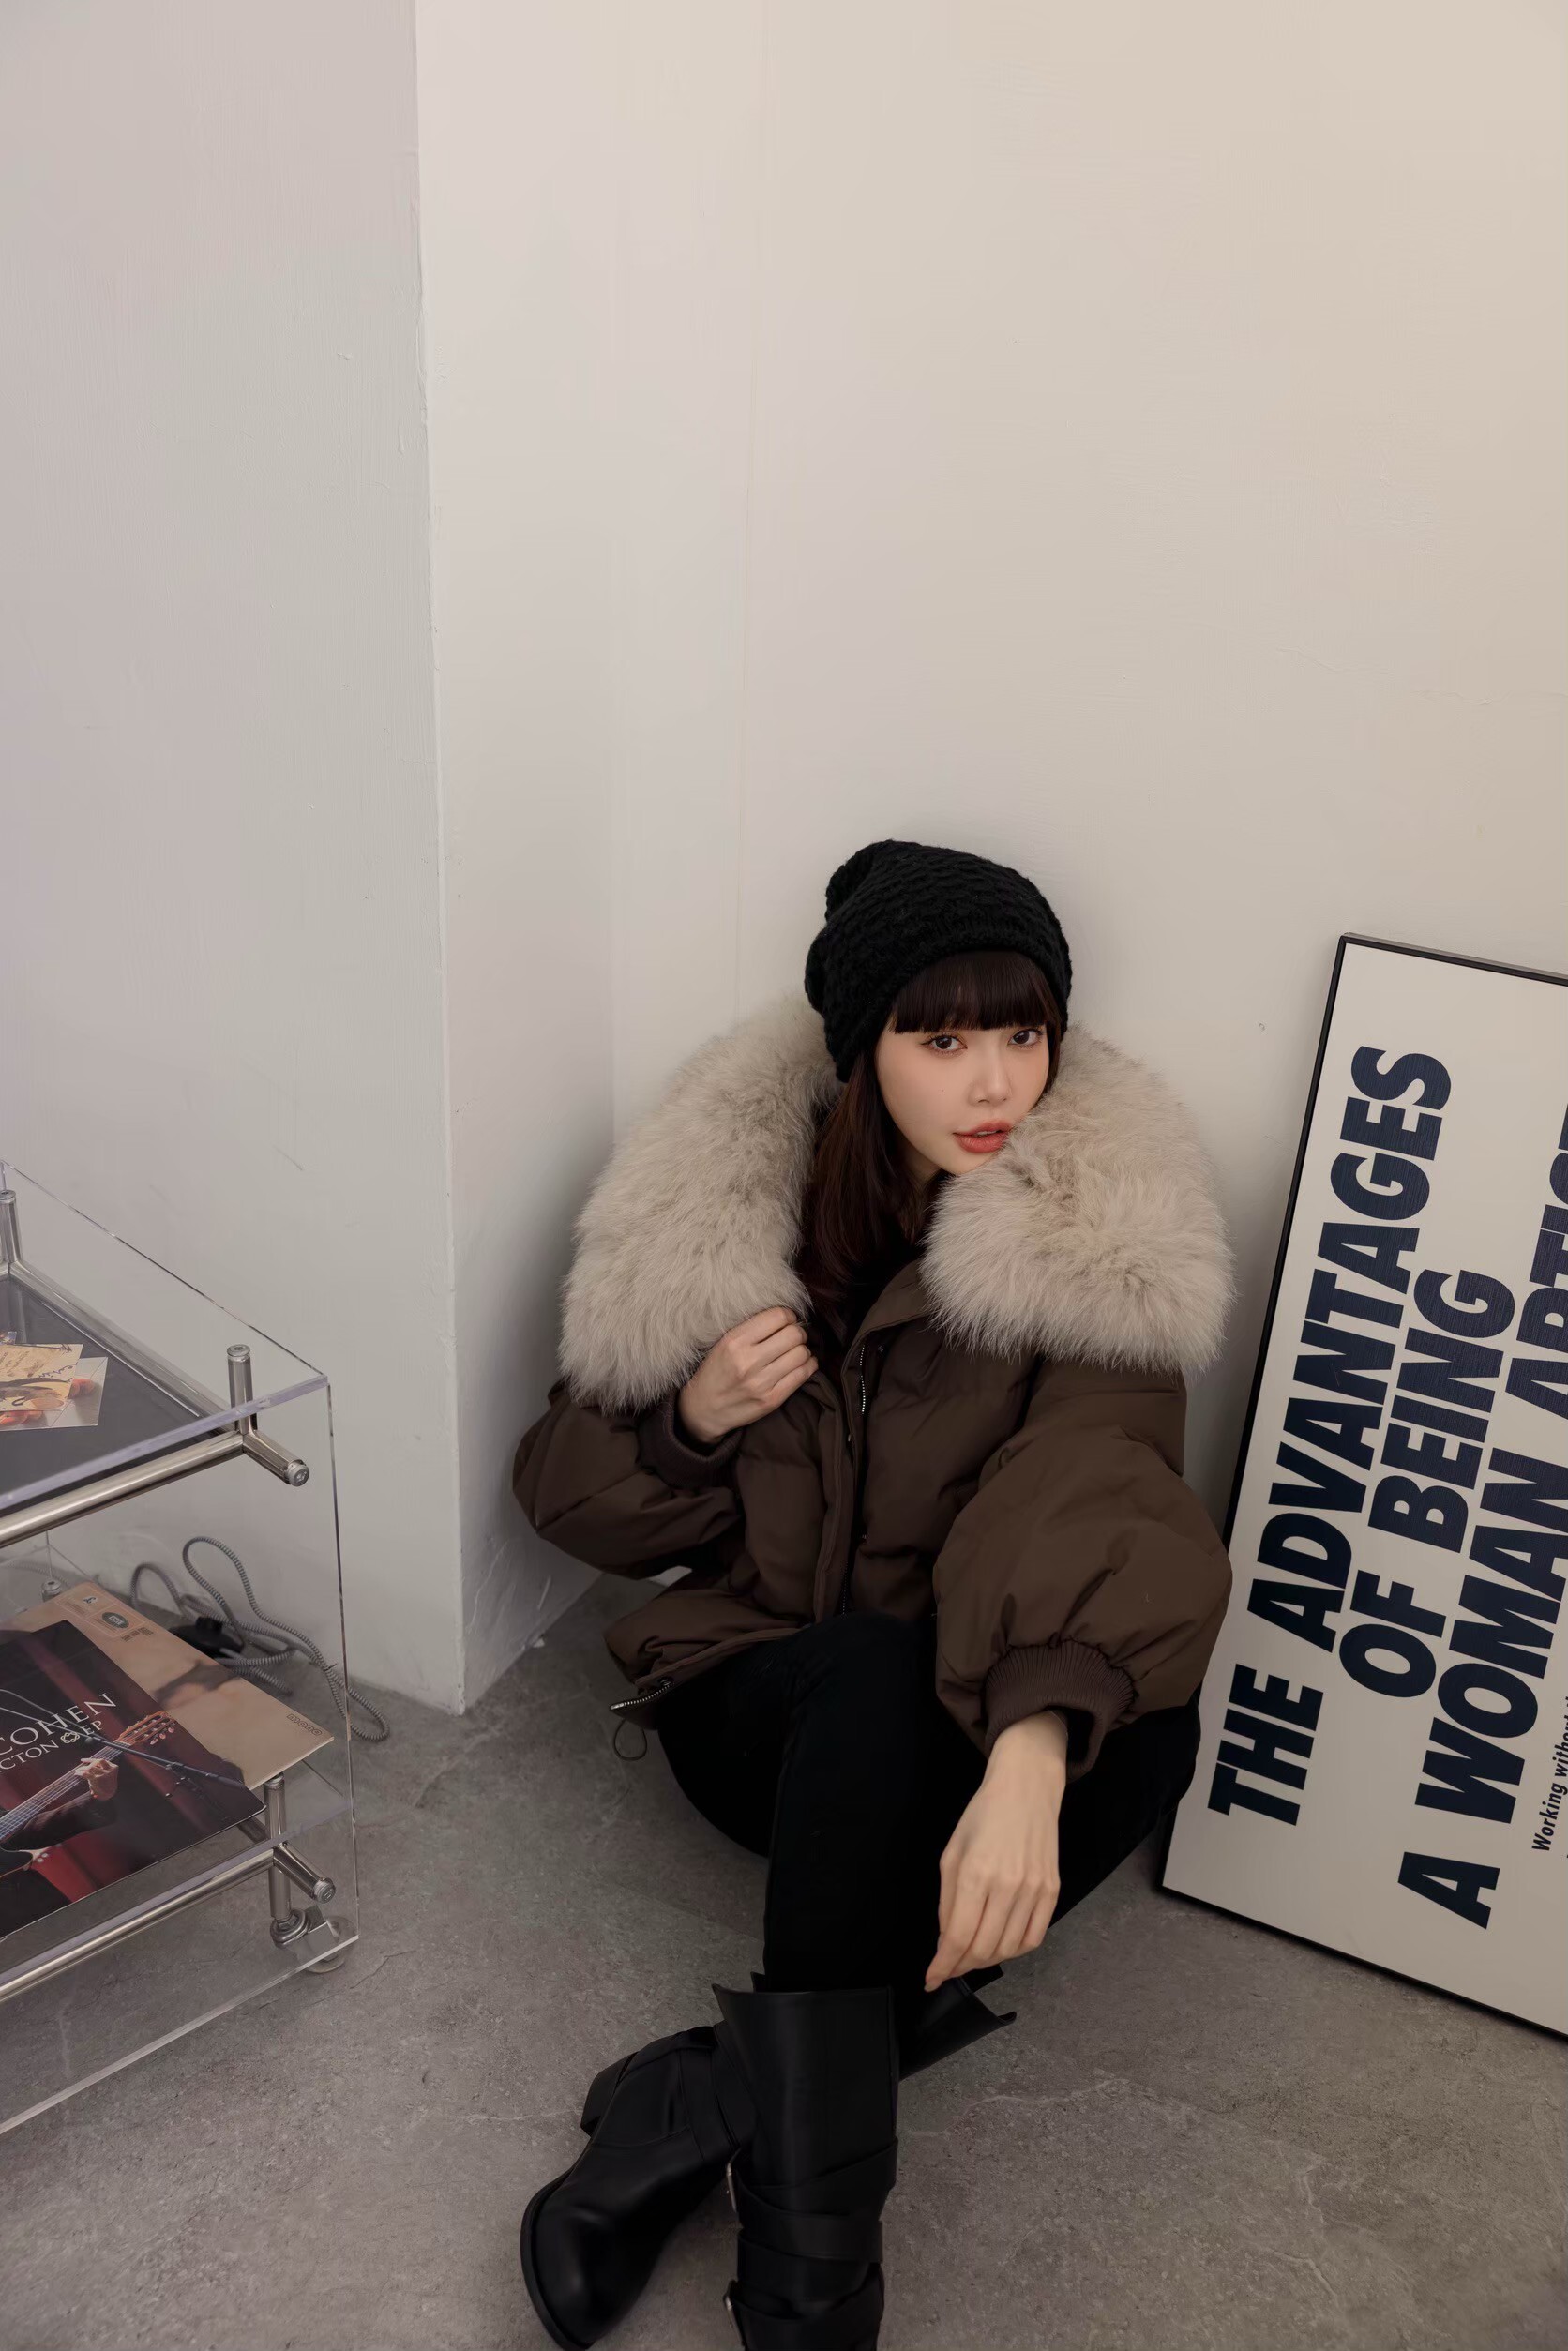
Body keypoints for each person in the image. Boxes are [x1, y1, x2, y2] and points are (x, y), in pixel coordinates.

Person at [510, 837, 1234, 2351]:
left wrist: (1030, 1755)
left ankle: (695, 2108)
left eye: (1020, 1033)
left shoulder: (1084, 1235)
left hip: (954, 1718)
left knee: (1149, 1734)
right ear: (864, 1050)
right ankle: (811, 2288)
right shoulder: (733, 1216)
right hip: (760, 1701)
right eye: (941, 1039)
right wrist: (690, 1420)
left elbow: (1097, 1482)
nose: (993, 1082)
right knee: (867, 1672)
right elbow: (565, 1497)